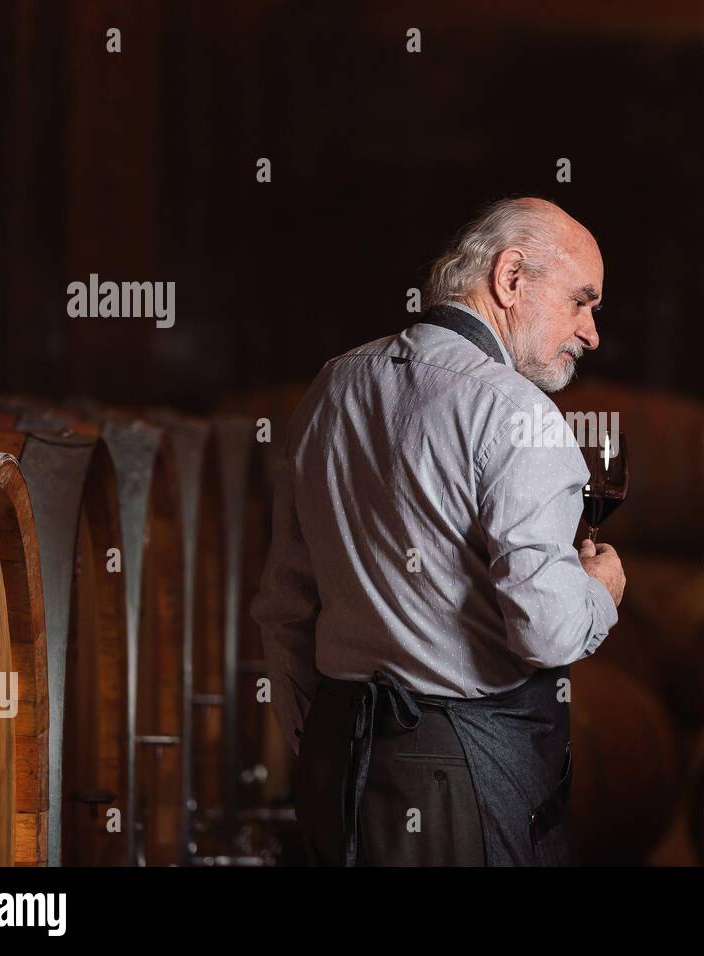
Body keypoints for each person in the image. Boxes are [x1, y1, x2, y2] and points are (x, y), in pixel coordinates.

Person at [251, 196, 626, 866]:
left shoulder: (334, 385)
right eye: (581, 301)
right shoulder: (521, 414)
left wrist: (329, 745)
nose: (591, 331)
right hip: (468, 778)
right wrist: (600, 589)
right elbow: (548, 630)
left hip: (339, 769)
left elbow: (284, 607)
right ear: (511, 279)